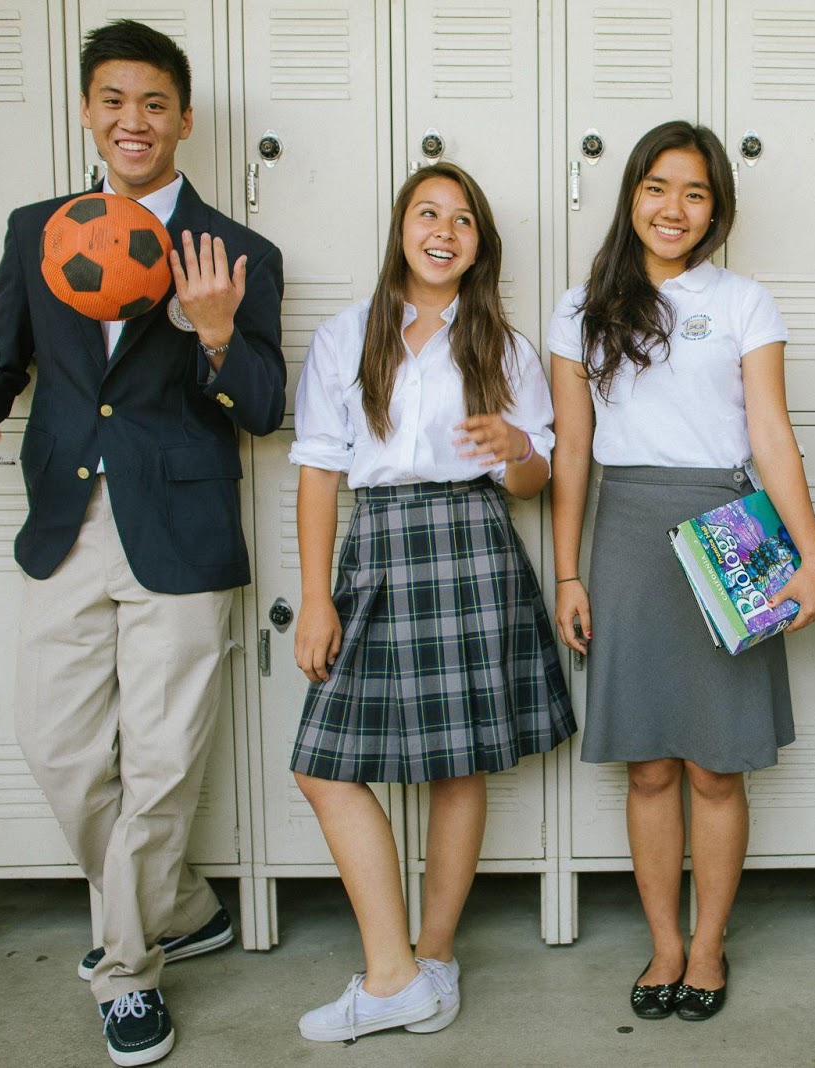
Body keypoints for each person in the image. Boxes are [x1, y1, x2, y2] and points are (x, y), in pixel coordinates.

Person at [0, 19, 284, 1066]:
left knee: (165, 763)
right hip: (65, 522)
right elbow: (0, 356)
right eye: (113, 101)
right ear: (89, 113)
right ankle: (180, 902)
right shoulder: (34, 230)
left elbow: (263, 406)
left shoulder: (236, 252)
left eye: (154, 103)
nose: (133, 121)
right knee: (58, 747)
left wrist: (216, 334)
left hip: (178, 531)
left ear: (183, 118)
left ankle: (128, 971)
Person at [548, 120, 815, 1022]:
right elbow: (571, 457)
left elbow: (772, 435)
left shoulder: (745, 302)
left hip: (727, 529)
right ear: (632, 194)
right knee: (648, 767)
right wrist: (567, 573)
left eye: (695, 193)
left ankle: (708, 944)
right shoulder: (579, 306)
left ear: (717, 208)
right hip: (626, 534)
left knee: (716, 766)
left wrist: (814, 559)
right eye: (658, 188)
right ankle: (664, 943)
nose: (674, 209)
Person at [288, 162, 574, 1042]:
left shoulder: (504, 347)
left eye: (462, 219)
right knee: (323, 766)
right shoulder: (346, 338)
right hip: (375, 550)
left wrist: (519, 444)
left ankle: (430, 959)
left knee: (458, 766)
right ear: (402, 227)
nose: (443, 230)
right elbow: (318, 472)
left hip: (470, 543)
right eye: (427, 213)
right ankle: (393, 969)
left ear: (479, 243)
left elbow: (535, 480)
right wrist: (314, 598)